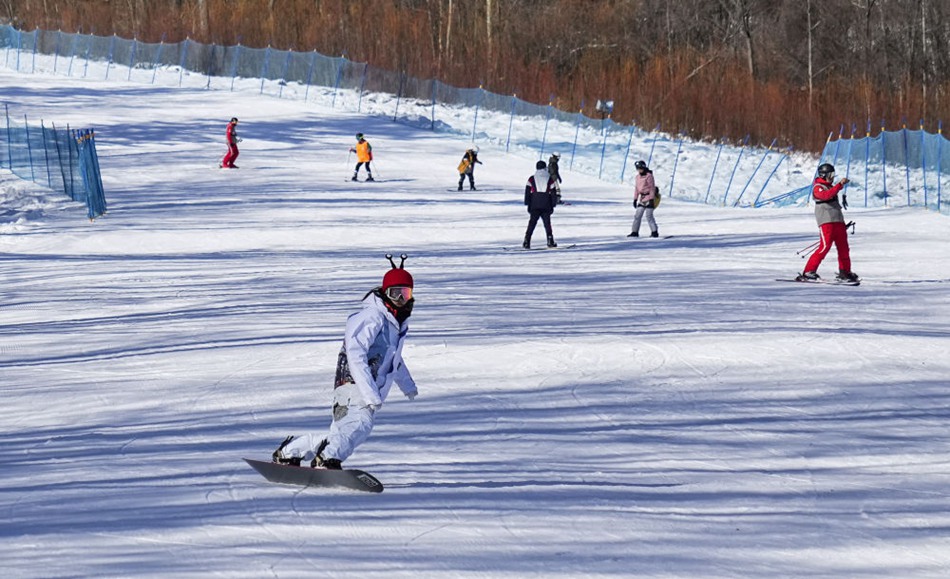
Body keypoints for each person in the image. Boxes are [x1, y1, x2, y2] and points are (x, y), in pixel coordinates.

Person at [273, 255, 418, 469]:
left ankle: (289, 451)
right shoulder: (373, 316)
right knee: (361, 424)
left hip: (356, 388)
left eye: (404, 294)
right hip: (355, 386)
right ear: (384, 292)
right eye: (394, 293)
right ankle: (327, 458)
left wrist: (408, 385)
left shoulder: (393, 322)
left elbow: (393, 359)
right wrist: (369, 393)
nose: (399, 299)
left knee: (340, 433)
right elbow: (355, 350)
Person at [797, 163, 858, 282]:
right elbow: (825, 196)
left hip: (838, 222)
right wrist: (839, 185)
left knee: (844, 248)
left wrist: (841, 223)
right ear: (824, 175)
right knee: (824, 247)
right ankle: (808, 271)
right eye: (830, 175)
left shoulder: (831, 187)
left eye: (833, 175)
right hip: (826, 223)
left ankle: (845, 272)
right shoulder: (818, 187)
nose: (832, 177)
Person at [522, 160, 558, 249]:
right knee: (547, 224)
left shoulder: (531, 178)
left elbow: (527, 192)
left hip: (534, 203)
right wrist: (553, 204)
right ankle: (550, 241)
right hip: (546, 204)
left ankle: (527, 241)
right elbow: (553, 193)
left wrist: (527, 203)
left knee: (532, 223)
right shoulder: (549, 179)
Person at [628, 160, 659, 237]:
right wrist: (635, 199)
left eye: (640, 168)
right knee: (637, 216)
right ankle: (634, 232)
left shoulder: (649, 176)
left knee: (649, 216)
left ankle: (654, 232)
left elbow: (652, 188)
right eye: (638, 169)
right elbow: (637, 188)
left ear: (644, 168)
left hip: (649, 198)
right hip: (642, 199)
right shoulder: (637, 177)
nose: (639, 170)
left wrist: (651, 199)